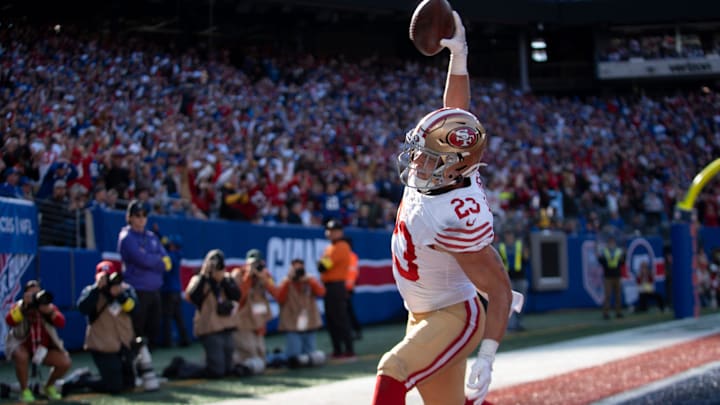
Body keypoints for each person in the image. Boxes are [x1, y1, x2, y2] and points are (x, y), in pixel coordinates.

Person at [371, 10, 514, 405]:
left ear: (452, 166)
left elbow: (499, 289)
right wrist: (459, 55)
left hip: (453, 315)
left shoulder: (458, 215)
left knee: (392, 369)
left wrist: (488, 355)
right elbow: (456, 114)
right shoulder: (448, 168)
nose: (416, 161)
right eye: (419, 150)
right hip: (421, 311)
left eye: (428, 156)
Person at [76, 260, 159, 393]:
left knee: (129, 384)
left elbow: (135, 310)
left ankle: (101, 378)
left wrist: (120, 296)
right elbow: (83, 309)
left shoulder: (125, 289)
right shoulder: (91, 291)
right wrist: (97, 288)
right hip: (102, 344)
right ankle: (81, 380)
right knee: (114, 386)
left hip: (124, 343)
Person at [176, 249, 242, 379]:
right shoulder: (199, 279)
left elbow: (236, 296)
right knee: (217, 371)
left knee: (229, 368)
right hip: (209, 327)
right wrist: (204, 275)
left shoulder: (226, 278)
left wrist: (222, 280)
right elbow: (192, 297)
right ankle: (181, 367)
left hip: (226, 325)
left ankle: (208, 363)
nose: (217, 268)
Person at [117, 199, 172, 349]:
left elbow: (167, 261)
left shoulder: (151, 236)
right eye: (137, 215)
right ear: (130, 217)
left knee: (154, 329)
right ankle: (134, 360)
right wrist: (157, 260)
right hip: (137, 290)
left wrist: (151, 259)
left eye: (144, 215)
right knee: (136, 331)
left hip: (155, 290)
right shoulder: (126, 237)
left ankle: (147, 360)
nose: (141, 219)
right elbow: (142, 260)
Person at [4, 280, 71, 402]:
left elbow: (61, 322)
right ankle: (24, 390)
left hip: (42, 349)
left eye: (37, 293)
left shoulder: (47, 306)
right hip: (23, 346)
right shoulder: (20, 306)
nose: (35, 297)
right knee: (21, 355)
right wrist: (24, 308)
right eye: (32, 294)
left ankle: (48, 386)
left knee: (65, 362)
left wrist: (49, 312)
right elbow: (9, 321)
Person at [230, 249, 278, 375]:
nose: (255, 267)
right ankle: (235, 366)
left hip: (257, 321)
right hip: (242, 322)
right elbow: (238, 297)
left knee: (261, 356)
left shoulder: (265, 275)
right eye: (253, 264)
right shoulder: (238, 274)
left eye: (258, 263)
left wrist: (264, 279)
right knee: (249, 354)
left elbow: (277, 294)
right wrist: (248, 276)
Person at [275, 258, 327, 368]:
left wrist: (310, 281)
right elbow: (280, 298)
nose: (298, 272)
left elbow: (321, 292)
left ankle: (280, 354)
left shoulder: (309, 280)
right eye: (295, 269)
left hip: (309, 321)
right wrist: (288, 280)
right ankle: (276, 357)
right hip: (292, 322)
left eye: (300, 269)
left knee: (309, 355)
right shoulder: (286, 282)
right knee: (294, 356)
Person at [318, 219, 355, 359]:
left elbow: (323, 266)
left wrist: (322, 262)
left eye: (333, 230)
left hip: (337, 286)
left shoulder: (341, 246)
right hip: (329, 286)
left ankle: (349, 350)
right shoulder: (331, 247)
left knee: (340, 319)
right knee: (331, 319)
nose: (330, 233)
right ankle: (338, 350)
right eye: (329, 230)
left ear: (340, 232)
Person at [159, 234, 191, 347]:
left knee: (167, 317)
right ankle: (185, 340)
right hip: (176, 291)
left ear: (173, 245)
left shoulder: (170, 257)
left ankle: (168, 342)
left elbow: (165, 272)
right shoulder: (178, 255)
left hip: (168, 291)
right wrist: (158, 234)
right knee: (179, 317)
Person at [497, 230, 530, 331]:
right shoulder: (500, 247)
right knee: (510, 302)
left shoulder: (520, 246)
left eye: (510, 235)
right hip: (507, 278)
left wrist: (526, 252)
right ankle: (512, 325)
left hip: (520, 277)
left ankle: (519, 323)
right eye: (507, 235)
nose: (509, 237)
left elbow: (526, 259)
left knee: (521, 303)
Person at [598, 235, 625, 320]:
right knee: (607, 295)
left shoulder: (618, 251)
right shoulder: (605, 252)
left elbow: (622, 262)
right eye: (610, 242)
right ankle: (606, 313)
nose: (611, 244)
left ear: (615, 243)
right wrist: (599, 257)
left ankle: (618, 312)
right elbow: (601, 261)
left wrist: (624, 255)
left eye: (613, 242)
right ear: (608, 243)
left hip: (617, 275)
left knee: (618, 295)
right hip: (608, 276)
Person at [344, 238, 362, 340]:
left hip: (344, 288)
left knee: (347, 312)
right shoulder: (353, 256)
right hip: (349, 287)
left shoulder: (347, 256)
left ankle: (351, 332)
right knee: (348, 311)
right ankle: (356, 331)